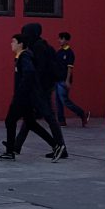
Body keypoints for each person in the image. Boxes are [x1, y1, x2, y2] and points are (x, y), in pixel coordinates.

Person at [0, 34, 59, 161]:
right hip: (26, 97)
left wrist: (20, 92)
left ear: (21, 44)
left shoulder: (24, 56)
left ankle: (10, 152)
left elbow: (29, 73)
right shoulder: (21, 57)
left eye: (13, 41)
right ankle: (56, 145)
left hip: (22, 98)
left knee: (10, 121)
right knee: (31, 123)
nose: (11, 44)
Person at [14, 23, 67, 160]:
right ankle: (16, 147)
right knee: (30, 118)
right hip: (43, 87)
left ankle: (61, 147)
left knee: (48, 117)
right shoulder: (43, 46)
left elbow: (39, 70)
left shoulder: (38, 48)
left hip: (41, 89)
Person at [54, 31, 90, 127]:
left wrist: (67, 80)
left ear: (66, 40)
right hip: (57, 79)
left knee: (65, 101)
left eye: (61, 39)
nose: (59, 41)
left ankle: (82, 113)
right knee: (58, 101)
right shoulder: (59, 51)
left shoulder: (69, 53)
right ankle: (61, 121)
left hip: (63, 80)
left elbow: (70, 67)